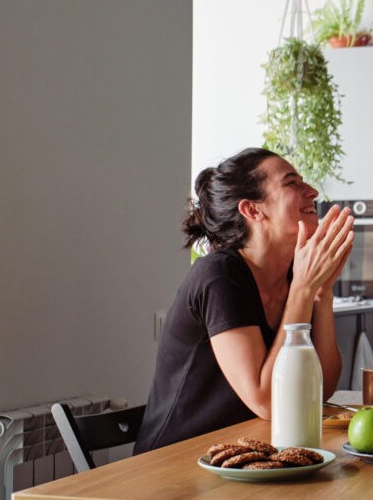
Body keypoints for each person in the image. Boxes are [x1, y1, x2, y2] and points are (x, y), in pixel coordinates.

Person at [135, 148, 354, 452]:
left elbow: (319, 390)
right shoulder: (219, 276)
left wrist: (322, 292)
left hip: (248, 454)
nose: (313, 192)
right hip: (176, 463)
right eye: (292, 183)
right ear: (252, 210)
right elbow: (267, 401)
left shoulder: (295, 274)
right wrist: (304, 289)